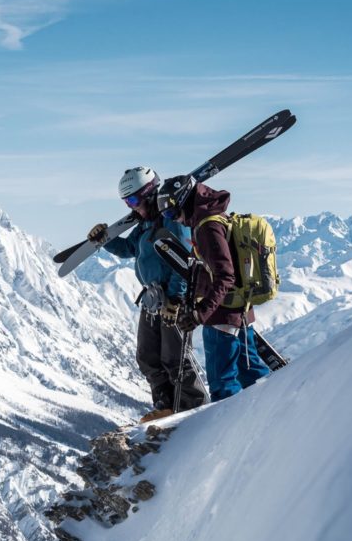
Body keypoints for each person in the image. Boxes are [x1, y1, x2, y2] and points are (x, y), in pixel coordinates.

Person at [88, 167, 207, 423]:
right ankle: (165, 406)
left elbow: (184, 263)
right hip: (153, 299)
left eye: (133, 201)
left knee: (175, 358)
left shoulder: (172, 221)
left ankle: (194, 408)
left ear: (150, 194)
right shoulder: (146, 224)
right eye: (127, 202)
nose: (132, 208)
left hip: (173, 300)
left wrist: (176, 299)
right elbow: (130, 248)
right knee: (147, 356)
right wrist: (105, 239)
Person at [158, 175, 271, 401]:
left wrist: (201, 314)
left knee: (223, 384)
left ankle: (228, 434)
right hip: (239, 311)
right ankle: (275, 415)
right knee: (254, 375)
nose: (175, 219)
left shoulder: (207, 227)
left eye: (171, 213)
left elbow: (225, 275)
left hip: (221, 317)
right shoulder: (215, 218)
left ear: (184, 201)